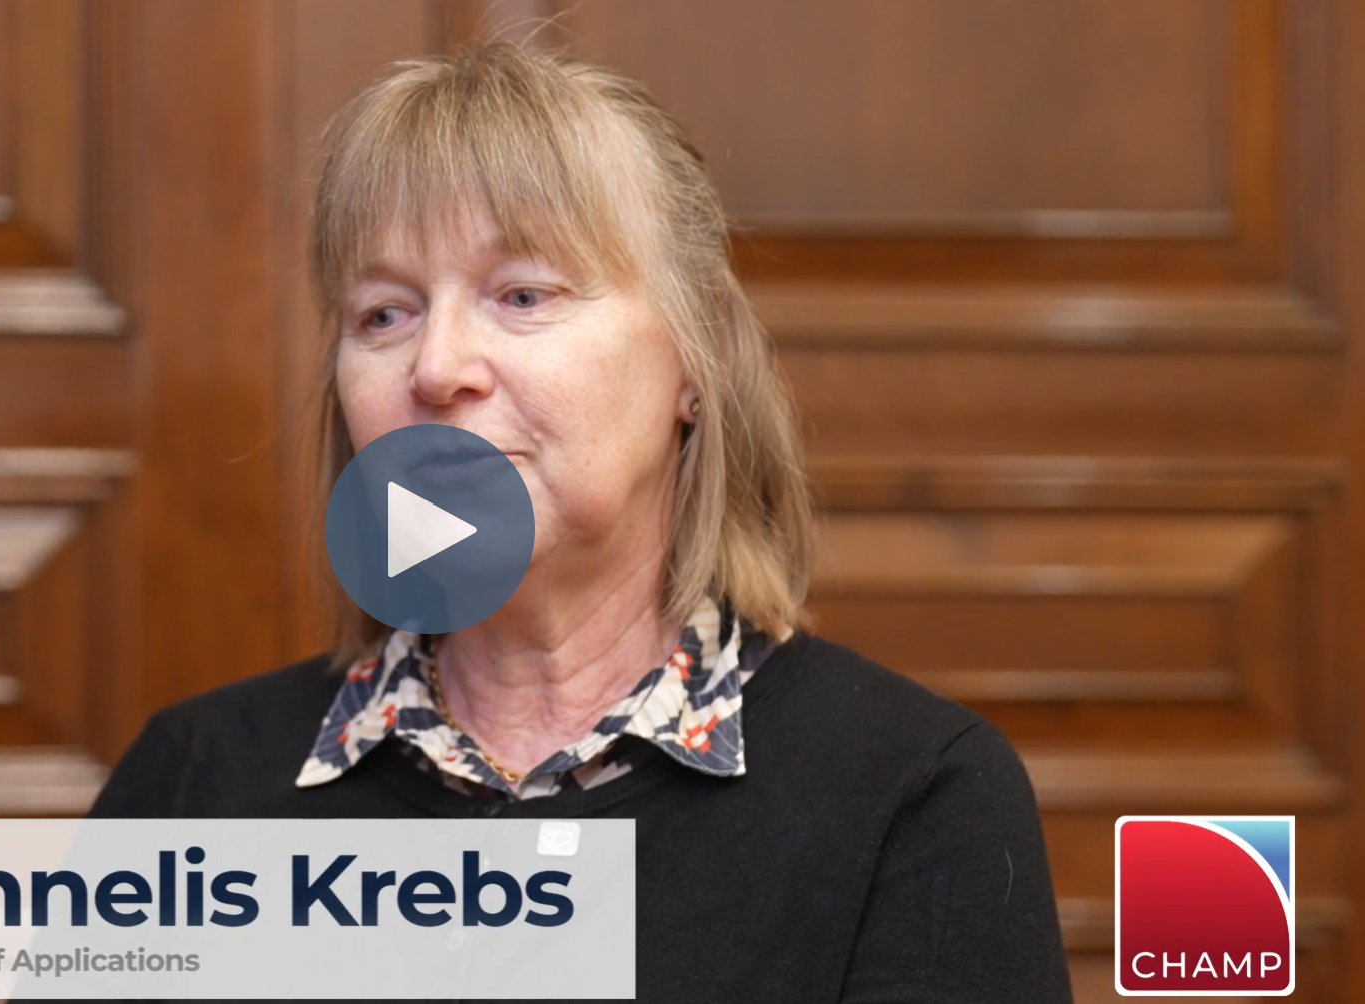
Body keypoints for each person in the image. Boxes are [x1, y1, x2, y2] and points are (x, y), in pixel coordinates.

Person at [92, 41, 1072, 1001]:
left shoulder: (912, 798)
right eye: (384, 314)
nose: (435, 368)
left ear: (694, 361)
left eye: (522, 295)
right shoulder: (191, 782)